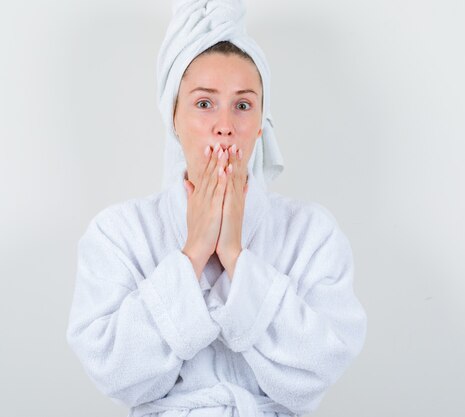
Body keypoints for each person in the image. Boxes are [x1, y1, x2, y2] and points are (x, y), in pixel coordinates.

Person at [65, 2, 367, 417]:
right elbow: (114, 373)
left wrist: (235, 257)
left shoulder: (312, 232)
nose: (224, 125)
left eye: (242, 105)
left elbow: (318, 368)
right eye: (204, 104)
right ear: (173, 116)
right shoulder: (118, 233)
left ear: (261, 122)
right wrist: (192, 253)